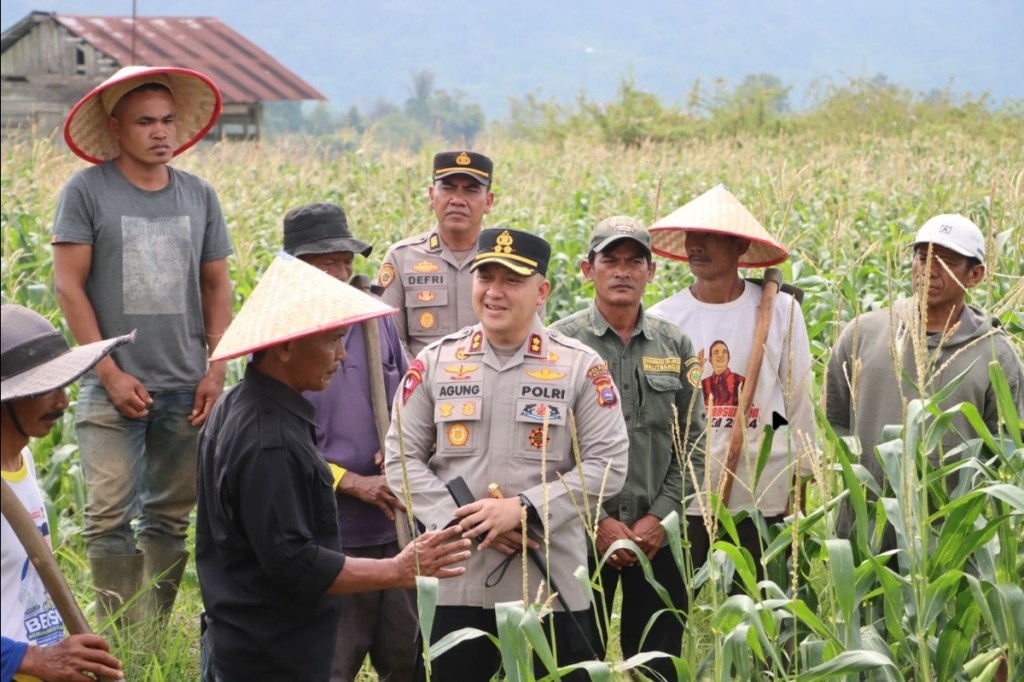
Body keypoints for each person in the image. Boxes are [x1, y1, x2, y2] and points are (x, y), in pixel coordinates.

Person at [195, 255, 471, 682]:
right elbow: (295, 563)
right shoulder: (271, 442)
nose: (342, 355)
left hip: (243, 639)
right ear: (285, 347)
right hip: (269, 657)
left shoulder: (240, 403)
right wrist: (398, 569)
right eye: (332, 341)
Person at [385, 227, 630, 681]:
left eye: (512, 280)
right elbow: (400, 458)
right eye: (485, 277)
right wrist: (465, 522)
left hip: (548, 584)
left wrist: (523, 508)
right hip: (457, 579)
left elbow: (609, 465)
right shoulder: (437, 361)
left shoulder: (579, 366)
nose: (494, 292)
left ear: (541, 291)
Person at [51, 66, 233, 622]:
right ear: (117, 128)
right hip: (111, 387)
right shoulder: (87, 191)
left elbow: (216, 284)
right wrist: (108, 370)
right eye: (145, 122)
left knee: (169, 518)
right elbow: (67, 285)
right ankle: (121, 636)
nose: (160, 132)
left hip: (185, 384)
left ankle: (148, 637)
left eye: (168, 120)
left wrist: (217, 366)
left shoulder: (199, 194)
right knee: (107, 516)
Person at [550, 216, 705, 679]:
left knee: (658, 662)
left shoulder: (674, 343)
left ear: (651, 272)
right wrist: (596, 521)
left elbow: (693, 440)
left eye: (634, 261)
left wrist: (659, 517)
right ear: (586, 269)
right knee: (574, 661)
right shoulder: (559, 343)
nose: (622, 271)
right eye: (610, 260)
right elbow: (545, 448)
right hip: (578, 535)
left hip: (656, 537)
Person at [648, 184, 816, 590]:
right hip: (688, 494)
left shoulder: (778, 311)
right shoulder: (665, 319)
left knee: (766, 611)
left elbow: (795, 398)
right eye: (692, 236)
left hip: (763, 492)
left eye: (712, 237)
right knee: (674, 606)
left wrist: (803, 472)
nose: (697, 246)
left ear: (740, 246)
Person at [281, 202, 417, 682]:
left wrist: (399, 449)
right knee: (330, 664)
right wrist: (350, 481)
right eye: (324, 264)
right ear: (294, 268)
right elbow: (279, 445)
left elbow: (408, 397)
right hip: (329, 537)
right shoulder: (281, 337)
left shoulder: (375, 318)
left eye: (344, 261)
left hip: (394, 525)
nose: (339, 273)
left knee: (407, 660)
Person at [825, 214, 1023, 522]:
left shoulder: (995, 353)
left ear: (975, 275)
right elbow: (834, 417)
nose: (929, 270)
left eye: (946, 262)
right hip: (864, 536)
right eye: (922, 257)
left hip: (950, 544)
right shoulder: (865, 332)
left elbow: (1008, 447)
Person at [1, 304, 128, 682]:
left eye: (63, 385)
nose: (63, 401)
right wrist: (29, 659)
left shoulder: (22, 459)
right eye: (45, 388)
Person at [377, 150, 494, 356]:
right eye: (448, 188)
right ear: (432, 196)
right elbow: (391, 341)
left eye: (471, 190)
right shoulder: (401, 259)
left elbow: (523, 337)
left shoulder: (506, 262)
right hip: (420, 384)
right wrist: (422, 382)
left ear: (489, 202)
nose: (457, 200)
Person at [702, 340, 745, 407]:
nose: (720, 355)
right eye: (716, 352)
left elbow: (749, 410)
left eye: (724, 352)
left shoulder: (741, 381)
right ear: (710, 359)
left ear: (729, 357)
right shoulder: (703, 385)